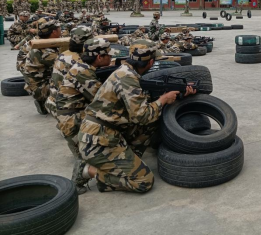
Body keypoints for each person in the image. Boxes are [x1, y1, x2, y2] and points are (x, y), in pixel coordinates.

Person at [76, 40, 196, 193]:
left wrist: (179, 94)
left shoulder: (128, 71)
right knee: (143, 182)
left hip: (108, 131)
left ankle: (128, 159)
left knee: (152, 123)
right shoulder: (127, 78)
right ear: (151, 62)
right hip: (98, 141)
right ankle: (88, 170)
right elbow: (142, 116)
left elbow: (140, 103)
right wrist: (163, 100)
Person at [56, 38, 111, 194]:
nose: (110, 57)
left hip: (71, 117)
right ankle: (79, 176)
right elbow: (103, 100)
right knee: (113, 124)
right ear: (99, 57)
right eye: (108, 55)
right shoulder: (83, 72)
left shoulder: (82, 66)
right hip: (72, 121)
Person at [45, 26, 94, 121]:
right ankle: (70, 126)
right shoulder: (79, 62)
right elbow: (94, 93)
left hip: (53, 102)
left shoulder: (64, 54)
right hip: (66, 109)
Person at [21, 18, 61, 115]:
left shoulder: (43, 42)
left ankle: (45, 101)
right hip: (40, 88)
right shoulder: (45, 51)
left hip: (40, 82)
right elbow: (66, 66)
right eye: (60, 29)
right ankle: (48, 104)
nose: (61, 30)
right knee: (72, 82)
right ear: (54, 32)